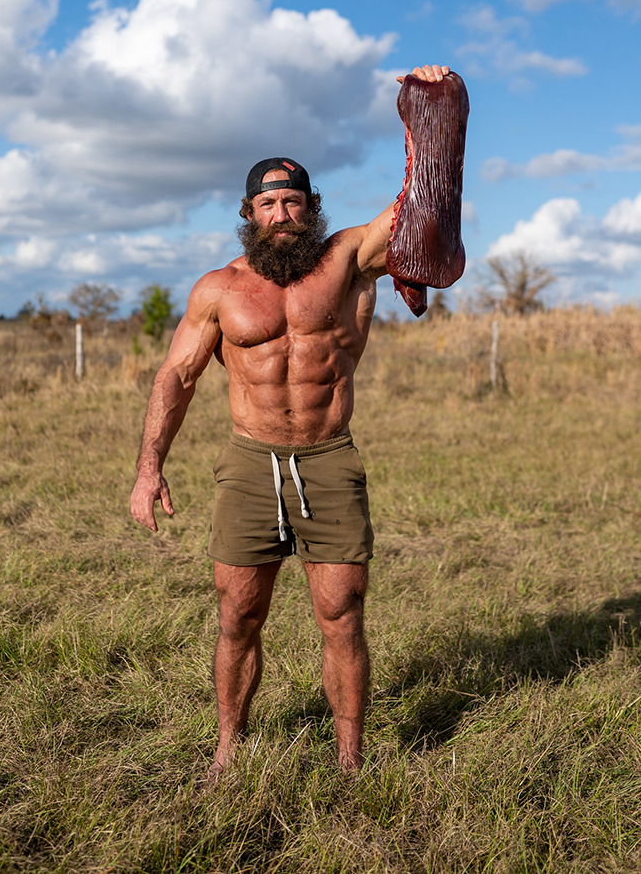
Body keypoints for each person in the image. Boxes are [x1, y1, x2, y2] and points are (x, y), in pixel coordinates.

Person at [130, 64, 451, 778]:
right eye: (268, 203)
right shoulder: (218, 290)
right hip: (250, 466)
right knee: (238, 616)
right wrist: (149, 469)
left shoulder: (345, 262)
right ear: (249, 214)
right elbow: (177, 377)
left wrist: (431, 111)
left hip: (328, 461)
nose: (282, 213)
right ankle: (227, 751)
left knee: (341, 614)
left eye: (295, 201)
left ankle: (349, 760)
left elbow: (411, 210)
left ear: (313, 208)